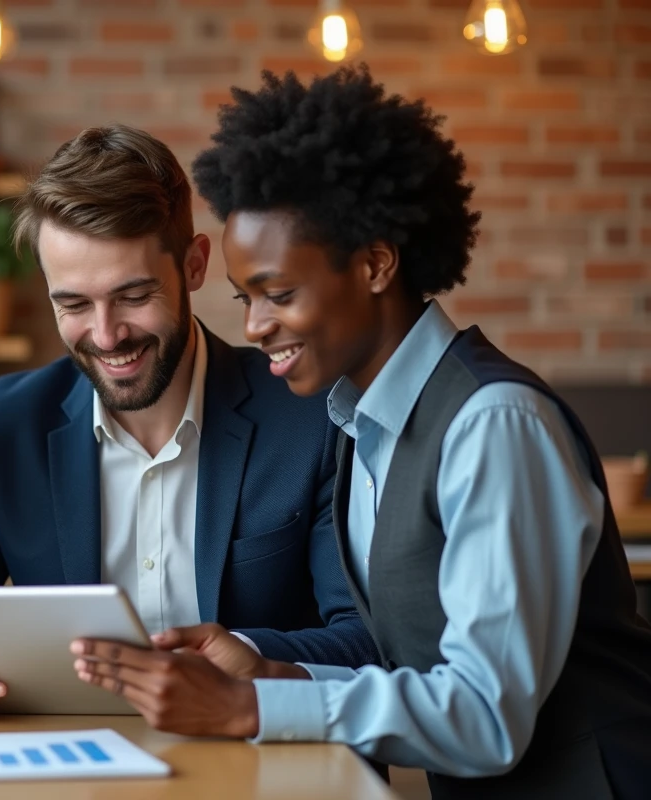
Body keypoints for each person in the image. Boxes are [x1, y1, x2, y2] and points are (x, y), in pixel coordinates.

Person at [70, 67, 651, 799]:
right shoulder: (361, 424)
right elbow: (417, 667)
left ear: (376, 263)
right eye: (246, 298)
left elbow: (486, 714)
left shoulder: (492, 426)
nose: (254, 327)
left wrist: (249, 708)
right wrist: (271, 671)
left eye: (280, 294)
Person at [0, 124, 377, 719]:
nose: (107, 337)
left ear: (193, 265)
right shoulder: (7, 422)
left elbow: (367, 642)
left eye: (133, 296)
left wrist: (249, 658)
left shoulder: (312, 417)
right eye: (74, 304)